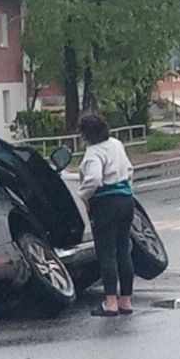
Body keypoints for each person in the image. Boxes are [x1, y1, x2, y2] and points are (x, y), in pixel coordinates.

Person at [77, 115, 135, 316]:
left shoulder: (93, 152)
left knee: (107, 253)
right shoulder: (117, 144)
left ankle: (110, 303)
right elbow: (129, 170)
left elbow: (94, 179)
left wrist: (84, 196)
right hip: (126, 201)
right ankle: (126, 300)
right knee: (123, 250)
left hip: (106, 204)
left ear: (86, 135)